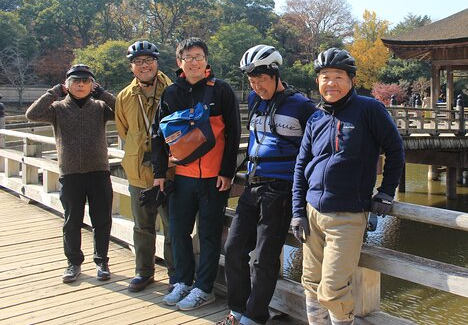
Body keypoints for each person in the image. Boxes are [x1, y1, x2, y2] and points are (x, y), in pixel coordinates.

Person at [291, 48, 405, 325]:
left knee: (332, 290)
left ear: (352, 80)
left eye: (338, 76)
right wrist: (297, 210)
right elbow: (300, 165)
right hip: (312, 212)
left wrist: (386, 192)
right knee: (310, 281)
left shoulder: (369, 109)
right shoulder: (316, 118)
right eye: (325, 77)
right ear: (318, 82)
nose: (330, 83)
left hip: (347, 215)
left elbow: (395, 150)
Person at [221, 45, 317, 325]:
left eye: (261, 79)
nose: (256, 86)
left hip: (281, 189)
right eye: (251, 81)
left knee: (264, 259)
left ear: (275, 74)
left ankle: (254, 317)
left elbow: (315, 149)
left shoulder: (301, 106)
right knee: (234, 249)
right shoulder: (254, 100)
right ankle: (236, 311)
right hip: (251, 186)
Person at [152, 37, 241, 311]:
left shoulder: (221, 91)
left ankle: (204, 288)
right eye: (188, 57)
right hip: (182, 176)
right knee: (178, 232)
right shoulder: (171, 93)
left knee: (210, 234)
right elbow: (158, 135)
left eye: (199, 56)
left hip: (214, 177)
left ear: (206, 61)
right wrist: (159, 173)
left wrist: (227, 172)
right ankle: (182, 281)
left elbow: (234, 132)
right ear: (179, 62)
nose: (194, 62)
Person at [26, 64, 115, 283]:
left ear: (92, 85)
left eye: (86, 81)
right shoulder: (57, 108)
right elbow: (32, 114)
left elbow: (124, 110)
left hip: (99, 171)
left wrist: (103, 93)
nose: (81, 85)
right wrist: (54, 92)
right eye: (76, 81)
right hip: (71, 173)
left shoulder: (100, 107)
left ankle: (102, 261)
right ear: (67, 84)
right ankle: (73, 262)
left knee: (102, 220)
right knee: (72, 221)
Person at [115, 41, 176, 293]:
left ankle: (176, 274)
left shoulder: (173, 90)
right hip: (139, 172)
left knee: (173, 226)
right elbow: (123, 130)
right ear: (131, 67)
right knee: (142, 226)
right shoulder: (124, 97)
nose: (144, 65)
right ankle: (143, 271)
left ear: (157, 62)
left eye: (148, 60)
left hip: (170, 172)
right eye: (138, 62)